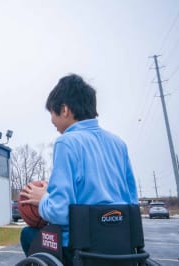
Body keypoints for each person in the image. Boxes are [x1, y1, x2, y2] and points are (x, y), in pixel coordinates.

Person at [19, 74, 139, 265]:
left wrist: (43, 199)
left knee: (28, 234)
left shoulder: (67, 142)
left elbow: (60, 212)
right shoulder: (119, 144)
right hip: (123, 250)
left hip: (81, 252)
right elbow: (132, 203)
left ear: (64, 109)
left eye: (52, 113)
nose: (53, 122)